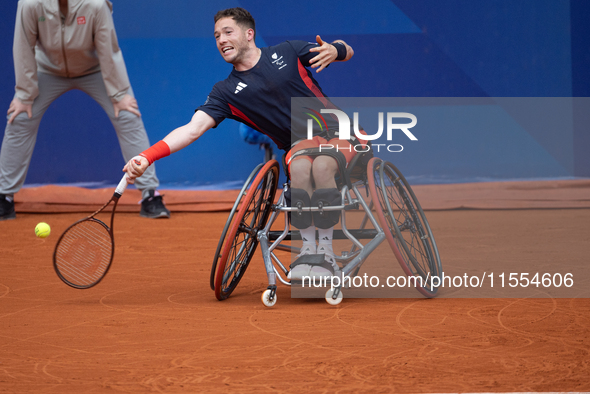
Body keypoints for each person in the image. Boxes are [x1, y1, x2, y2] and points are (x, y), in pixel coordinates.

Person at [124, 7, 365, 279]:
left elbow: (347, 49)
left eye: (228, 32)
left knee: (321, 165)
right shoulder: (225, 92)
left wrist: (335, 49)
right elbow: (192, 129)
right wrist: (147, 156)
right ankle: (309, 250)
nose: (221, 40)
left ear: (249, 34)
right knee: (299, 170)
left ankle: (327, 255)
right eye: (216, 36)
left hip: (340, 134)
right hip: (299, 149)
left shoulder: (287, 52)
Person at [0, 0, 170, 221]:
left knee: (127, 114)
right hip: (47, 69)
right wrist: (24, 94)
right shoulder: (30, 4)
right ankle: (4, 196)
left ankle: (149, 195)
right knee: (20, 116)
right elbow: (23, 46)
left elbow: (108, 49)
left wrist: (119, 95)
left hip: (94, 69)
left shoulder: (96, 5)